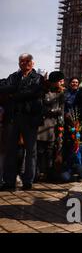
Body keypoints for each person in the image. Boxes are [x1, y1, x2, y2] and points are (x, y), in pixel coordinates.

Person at [0, 54, 44, 191]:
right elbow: (2, 88)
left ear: (32, 63)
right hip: (13, 117)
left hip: (29, 119)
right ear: (19, 63)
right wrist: (16, 90)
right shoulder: (13, 76)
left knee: (31, 151)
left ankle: (28, 181)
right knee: (10, 150)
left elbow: (32, 92)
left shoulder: (38, 78)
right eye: (22, 61)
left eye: (27, 61)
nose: (24, 63)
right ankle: (9, 181)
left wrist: (13, 93)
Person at [36, 71, 65, 182]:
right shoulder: (44, 92)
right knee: (40, 151)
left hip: (53, 126)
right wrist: (53, 111)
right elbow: (41, 108)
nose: (62, 82)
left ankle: (49, 174)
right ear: (54, 81)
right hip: (42, 126)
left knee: (50, 151)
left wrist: (61, 126)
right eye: (60, 81)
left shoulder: (61, 93)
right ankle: (38, 174)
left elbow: (61, 111)